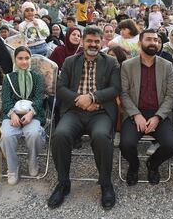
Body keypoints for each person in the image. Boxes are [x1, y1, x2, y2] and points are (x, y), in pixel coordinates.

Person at [48, 26, 121, 210]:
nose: (93, 44)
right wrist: (79, 100)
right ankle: (63, 183)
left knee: (102, 137)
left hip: (100, 112)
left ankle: (106, 184)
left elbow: (115, 89)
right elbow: (61, 87)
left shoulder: (111, 62)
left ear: (101, 42)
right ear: (82, 42)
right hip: (74, 111)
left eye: (97, 41)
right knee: (59, 135)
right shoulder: (70, 61)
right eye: (89, 41)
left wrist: (93, 98)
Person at [119, 29, 173, 185]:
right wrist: (135, 115)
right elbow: (123, 94)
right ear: (140, 43)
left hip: (158, 113)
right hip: (135, 113)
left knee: (171, 145)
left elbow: (171, 95)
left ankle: (153, 164)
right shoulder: (127, 65)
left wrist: (158, 117)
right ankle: (134, 166)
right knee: (125, 145)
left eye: (156, 40)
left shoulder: (167, 66)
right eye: (149, 39)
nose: (154, 43)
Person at [0, 46, 46, 185]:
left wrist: (31, 113)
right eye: (20, 58)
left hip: (33, 114)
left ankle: (32, 161)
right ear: (15, 59)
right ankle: (13, 168)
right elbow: (6, 99)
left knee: (34, 134)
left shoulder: (36, 77)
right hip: (11, 115)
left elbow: (39, 98)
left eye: (27, 58)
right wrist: (12, 114)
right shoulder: (8, 78)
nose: (24, 62)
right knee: (7, 136)